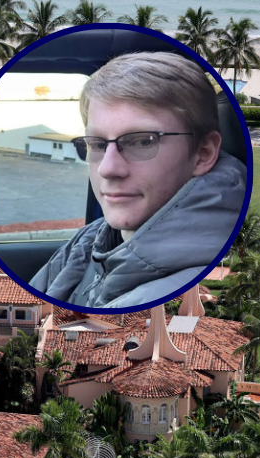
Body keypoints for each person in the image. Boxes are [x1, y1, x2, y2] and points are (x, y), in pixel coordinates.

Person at [29, 51, 246, 308]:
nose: (107, 169)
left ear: (203, 153)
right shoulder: (86, 243)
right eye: (97, 144)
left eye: (143, 141)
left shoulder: (183, 289)